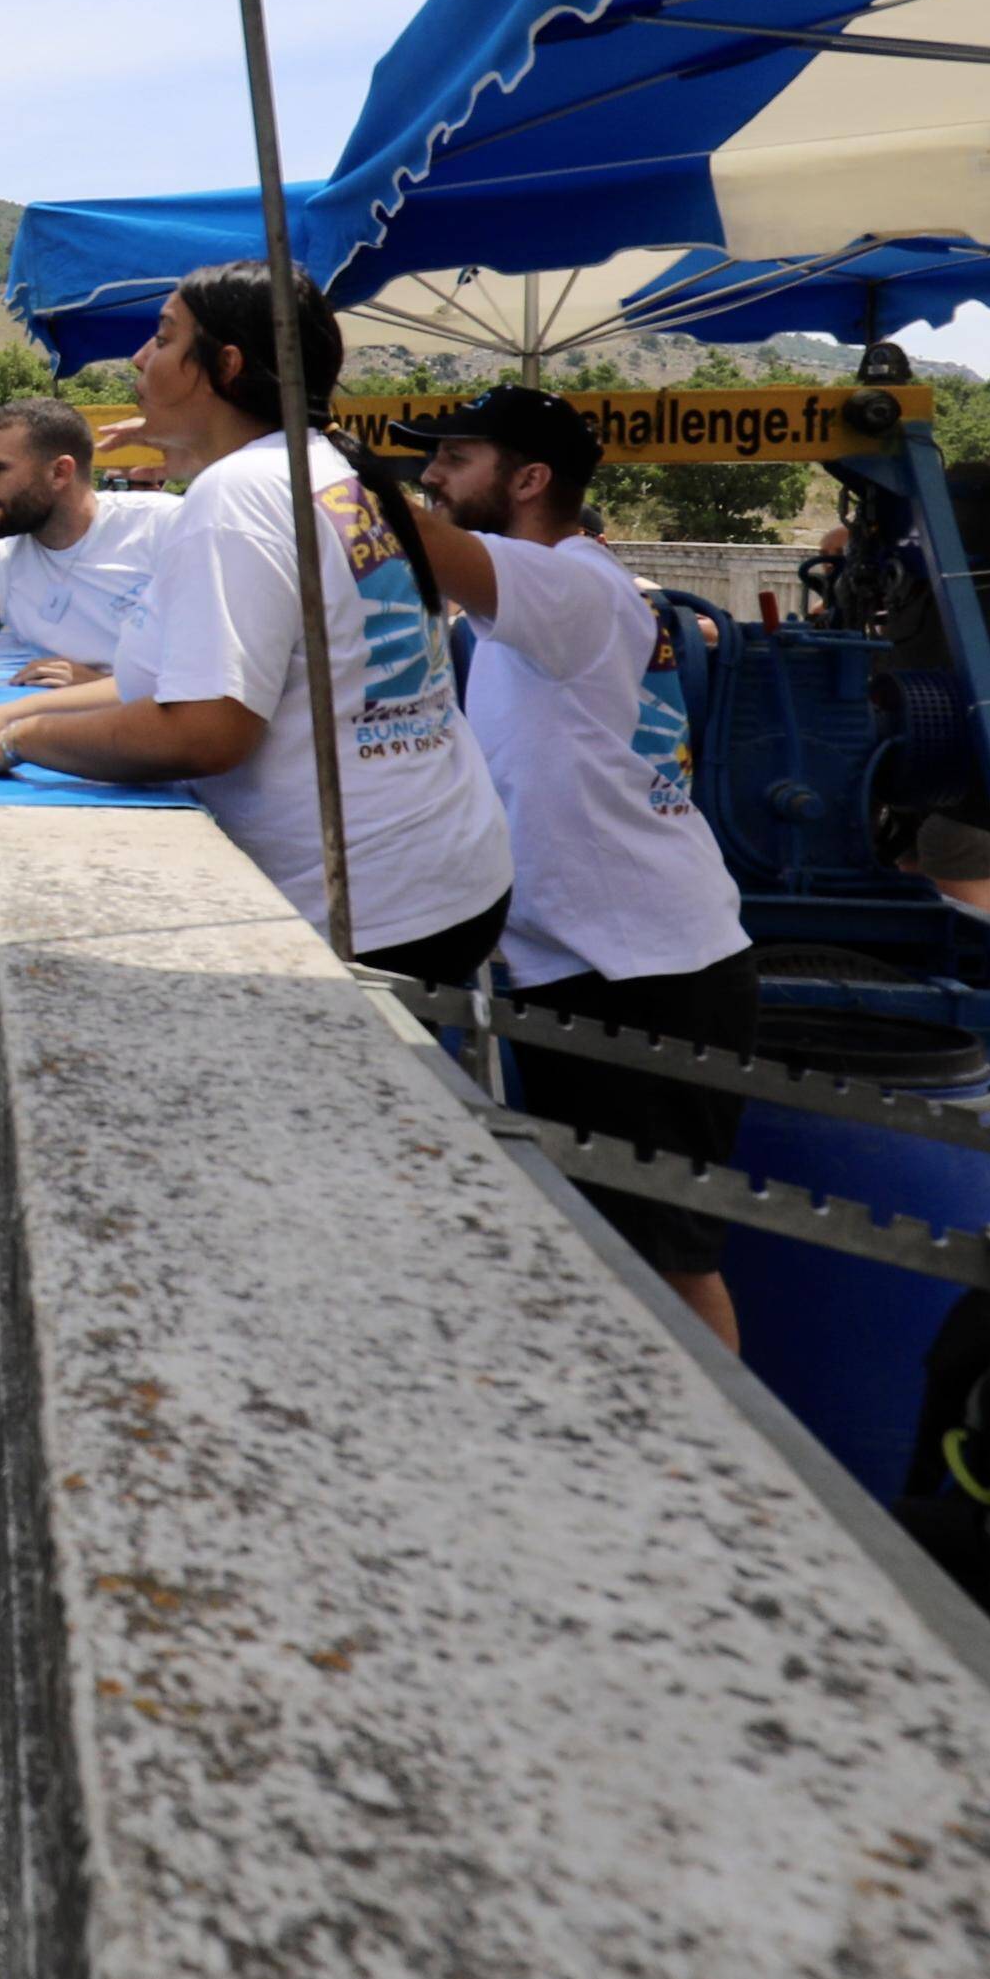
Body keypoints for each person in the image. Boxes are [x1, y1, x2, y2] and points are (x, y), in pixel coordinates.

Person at [0, 263, 514, 984]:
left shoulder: (235, 499)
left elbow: (207, 730)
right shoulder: (323, 466)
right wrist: (20, 714)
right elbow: (188, 680)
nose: (140, 357)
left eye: (165, 337)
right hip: (451, 873)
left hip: (368, 910)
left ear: (224, 366)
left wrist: (21, 740)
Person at [383, 384, 757, 1345]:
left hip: (647, 971)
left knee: (668, 1264)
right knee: (602, 1246)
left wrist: (295, 453)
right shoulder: (534, 603)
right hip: (594, 960)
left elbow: (415, 539)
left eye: (455, 458)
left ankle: (724, 1478)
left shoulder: (570, 584)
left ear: (530, 478)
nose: (431, 475)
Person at [0, 395, 176, 706]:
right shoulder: (0, 566)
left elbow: (222, 684)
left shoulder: (166, 528)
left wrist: (102, 688)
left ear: (59, 473)